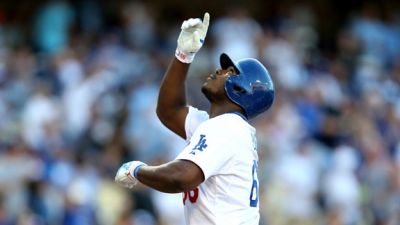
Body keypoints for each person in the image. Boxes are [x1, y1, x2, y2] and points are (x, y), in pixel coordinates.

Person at [115, 12, 275, 225]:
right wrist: (183, 55)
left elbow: (180, 177)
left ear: (241, 89)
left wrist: (137, 170)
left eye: (229, 72)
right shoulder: (223, 126)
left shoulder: (228, 128)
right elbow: (169, 110)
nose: (219, 71)